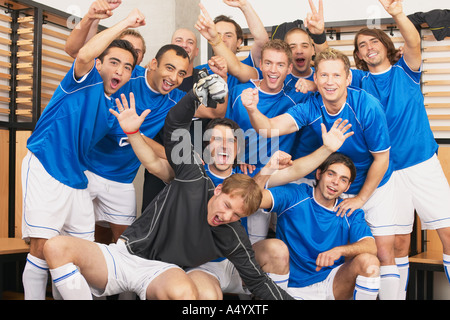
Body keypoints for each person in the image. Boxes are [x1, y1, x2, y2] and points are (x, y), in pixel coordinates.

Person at [42, 75, 293, 300]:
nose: (227, 216)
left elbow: (259, 280)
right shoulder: (193, 175)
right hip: (126, 255)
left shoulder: (232, 229)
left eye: (237, 215)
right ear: (218, 191)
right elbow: (173, 129)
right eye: (227, 206)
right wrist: (194, 96)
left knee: (187, 292)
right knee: (54, 247)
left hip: (165, 271)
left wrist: (268, 169)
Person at [21, 9, 145, 300]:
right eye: (114, 62)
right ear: (100, 63)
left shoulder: (114, 108)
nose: (120, 71)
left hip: (77, 178)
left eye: (127, 67)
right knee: (41, 246)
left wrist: (133, 130)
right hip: (46, 165)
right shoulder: (83, 78)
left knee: (78, 253)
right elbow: (84, 52)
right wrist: (125, 22)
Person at [350, 0, 450, 299]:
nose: (368, 47)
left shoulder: (405, 70)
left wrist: (396, 13)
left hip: (421, 165)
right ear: (357, 55)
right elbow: (327, 74)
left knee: (448, 234)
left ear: (384, 45)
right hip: (386, 172)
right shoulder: (358, 82)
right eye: (361, 45)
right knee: (396, 245)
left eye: (373, 41)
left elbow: (413, 41)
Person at [257, 152, 380, 300]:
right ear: (319, 174)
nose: (335, 182)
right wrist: (268, 169)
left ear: (347, 187)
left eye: (343, 179)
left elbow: (371, 247)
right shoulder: (296, 195)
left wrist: (339, 251)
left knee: (370, 263)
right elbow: (252, 198)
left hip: (330, 284)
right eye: (331, 174)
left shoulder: (350, 212)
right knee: (274, 246)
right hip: (290, 285)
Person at [195, 1, 267, 88]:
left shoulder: (248, 65)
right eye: (217, 35)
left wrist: (244, 6)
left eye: (228, 35)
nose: (222, 39)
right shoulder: (199, 71)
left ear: (239, 42)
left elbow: (262, 41)